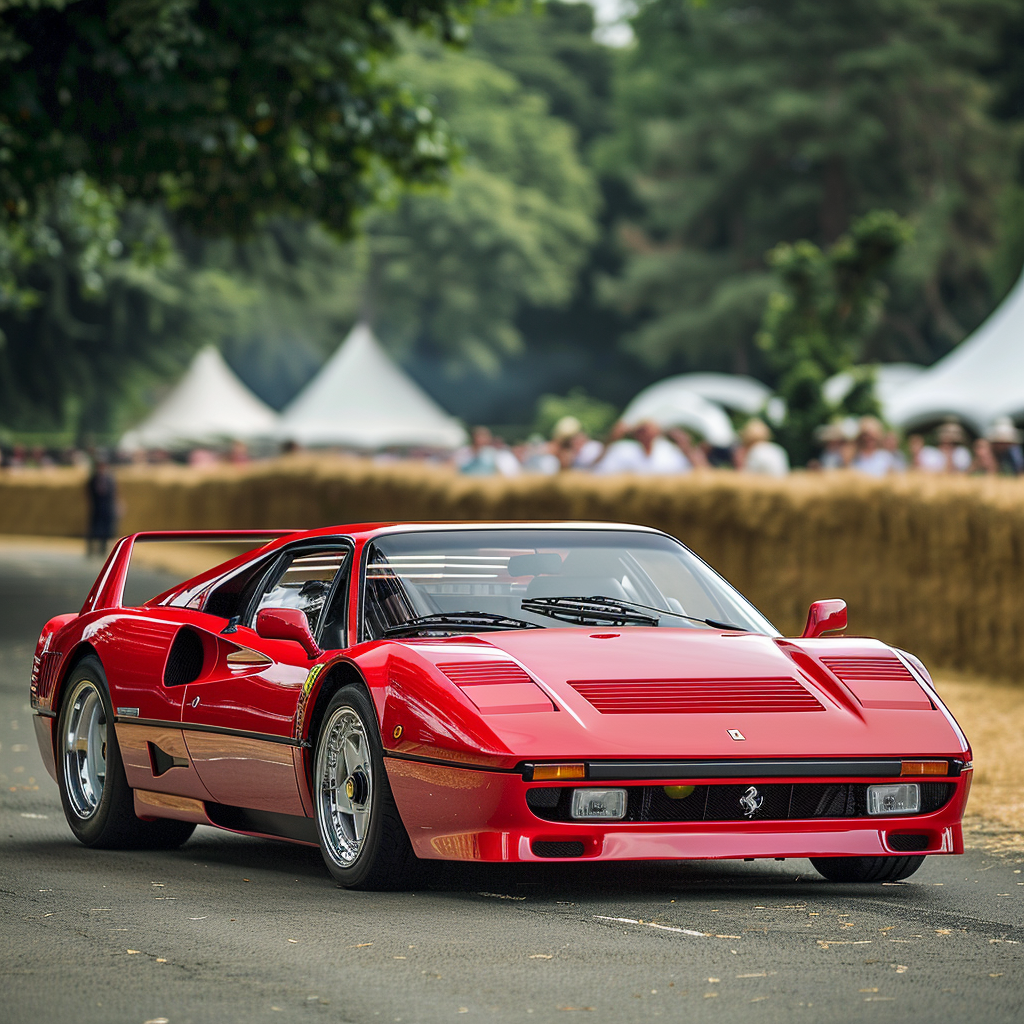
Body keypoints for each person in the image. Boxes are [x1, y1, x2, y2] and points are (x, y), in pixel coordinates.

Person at [594, 420, 690, 475]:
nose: (645, 434)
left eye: (648, 430)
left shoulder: (669, 451)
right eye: (641, 430)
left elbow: (689, 472)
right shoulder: (623, 449)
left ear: (657, 433)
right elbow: (596, 468)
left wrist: (687, 447)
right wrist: (611, 440)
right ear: (635, 434)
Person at [85, 455, 118, 557]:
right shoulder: (93, 479)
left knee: (107, 530)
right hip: (97, 508)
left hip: (108, 507)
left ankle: (103, 551)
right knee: (94, 529)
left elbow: (114, 493)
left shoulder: (110, 479)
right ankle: (90, 550)